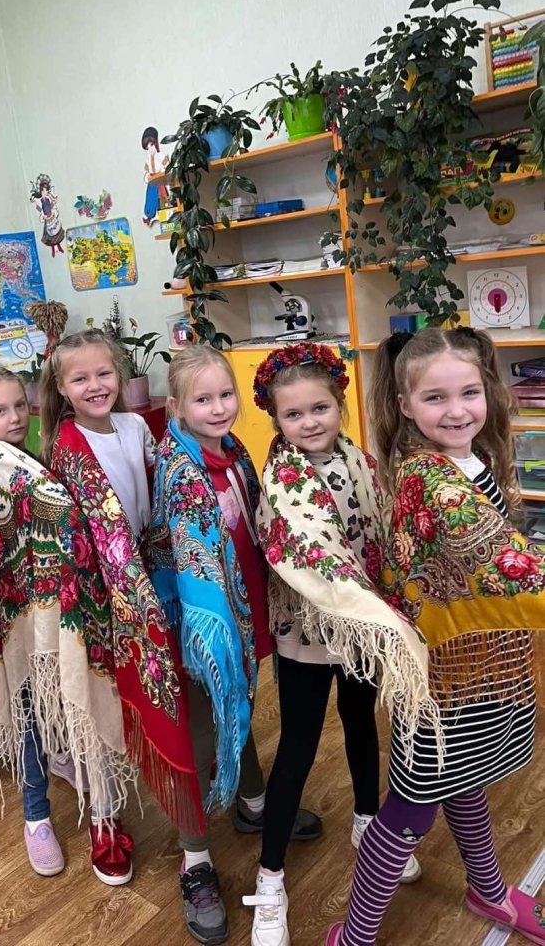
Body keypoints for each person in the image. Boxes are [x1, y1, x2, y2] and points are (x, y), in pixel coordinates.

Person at [327, 327, 545, 946]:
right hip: (441, 677)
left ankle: (488, 890)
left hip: (483, 660)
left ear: (489, 391)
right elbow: (508, 563)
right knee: (411, 807)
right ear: (405, 405)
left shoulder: (473, 460)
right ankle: (355, 936)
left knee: (462, 776)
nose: (456, 411)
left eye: (469, 392)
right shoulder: (433, 478)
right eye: (435, 398)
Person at [245, 343, 436, 946]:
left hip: (362, 628)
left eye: (319, 408)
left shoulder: (361, 462)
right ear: (276, 419)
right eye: (293, 414)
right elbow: (311, 556)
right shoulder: (282, 482)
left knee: (360, 723)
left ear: (339, 405)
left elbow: (382, 531)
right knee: (298, 746)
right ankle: (270, 880)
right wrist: (382, 620)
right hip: (310, 632)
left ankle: (366, 820)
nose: (309, 423)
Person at [148, 344, 322, 945]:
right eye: (203, 399)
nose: (219, 407)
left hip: (244, 610)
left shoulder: (232, 450)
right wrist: (214, 632)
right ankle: (194, 858)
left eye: (225, 395)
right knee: (201, 734)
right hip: (202, 626)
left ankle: (252, 801)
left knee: (239, 703)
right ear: (176, 406)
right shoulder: (180, 470)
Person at [40, 329, 206, 880]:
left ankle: (190, 786)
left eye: (104, 373)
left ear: (121, 373)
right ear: (61, 388)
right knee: (98, 707)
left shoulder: (134, 426)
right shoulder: (63, 449)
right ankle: (104, 818)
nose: (95, 385)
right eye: (80, 378)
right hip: (94, 596)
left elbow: (158, 491)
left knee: (155, 695)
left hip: (147, 578)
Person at [0, 367, 134, 881]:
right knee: (30, 710)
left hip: (47, 608)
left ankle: (82, 786)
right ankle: (35, 816)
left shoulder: (31, 457)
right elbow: (60, 514)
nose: (15, 417)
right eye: (0, 411)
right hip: (21, 613)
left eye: (20, 405)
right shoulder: (2, 466)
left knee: (57, 700)